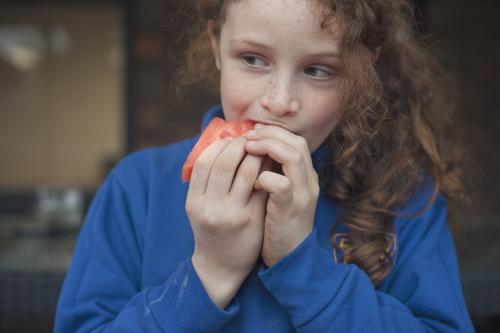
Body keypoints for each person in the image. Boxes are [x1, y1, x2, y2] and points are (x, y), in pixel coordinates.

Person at [54, 0, 476, 332]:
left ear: (359, 73)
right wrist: (211, 272)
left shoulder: (408, 198)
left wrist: (300, 264)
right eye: (253, 60)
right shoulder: (137, 188)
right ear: (217, 46)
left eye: (317, 70)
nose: (279, 100)